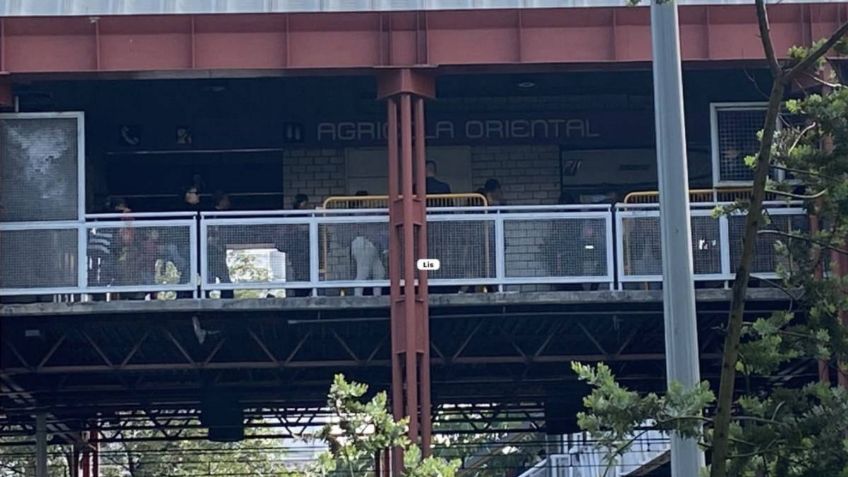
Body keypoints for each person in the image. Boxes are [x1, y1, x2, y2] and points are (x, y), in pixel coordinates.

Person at [349, 191, 387, 296]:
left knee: (379, 272)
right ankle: (357, 299)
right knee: (363, 273)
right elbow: (367, 228)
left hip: (371, 245)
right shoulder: (359, 212)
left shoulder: (365, 211)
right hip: (363, 243)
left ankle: (377, 297)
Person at [207, 191, 234, 299]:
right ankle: (227, 298)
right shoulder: (213, 215)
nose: (228, 203)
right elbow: (211, 234)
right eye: (226, 200)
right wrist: (216, 247)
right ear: (221, 201)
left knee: (213, 276)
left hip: (218, 250)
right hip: (213, 250)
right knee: (220, 276)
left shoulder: (220, 215)